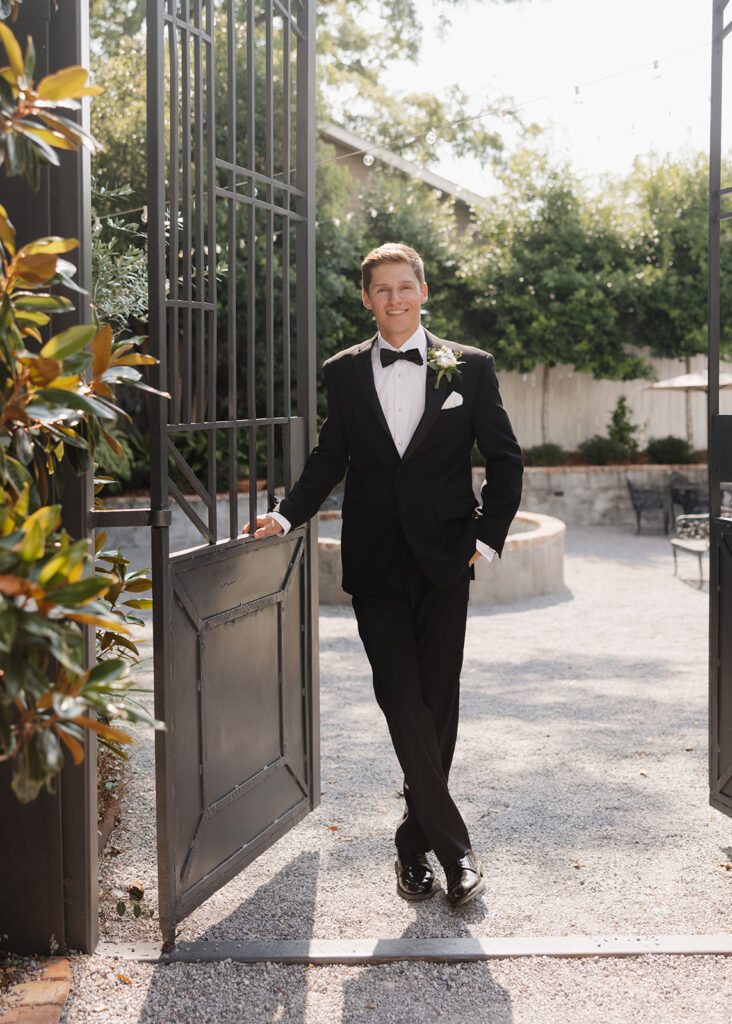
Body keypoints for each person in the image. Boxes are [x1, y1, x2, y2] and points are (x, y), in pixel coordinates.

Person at [244, 242, 523, 907]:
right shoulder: (342, 372)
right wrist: (285, 517)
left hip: (445, 558)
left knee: (439, 700)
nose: (395, 300)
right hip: (374, 559)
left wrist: (485, 538)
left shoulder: (471, 368)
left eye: (405, 288)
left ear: (423, 292)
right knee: (400, 696)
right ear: (367, 299)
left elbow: (507, 461)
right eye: (382, 290)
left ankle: (410, 843)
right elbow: (329, 457)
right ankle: (455, 853)